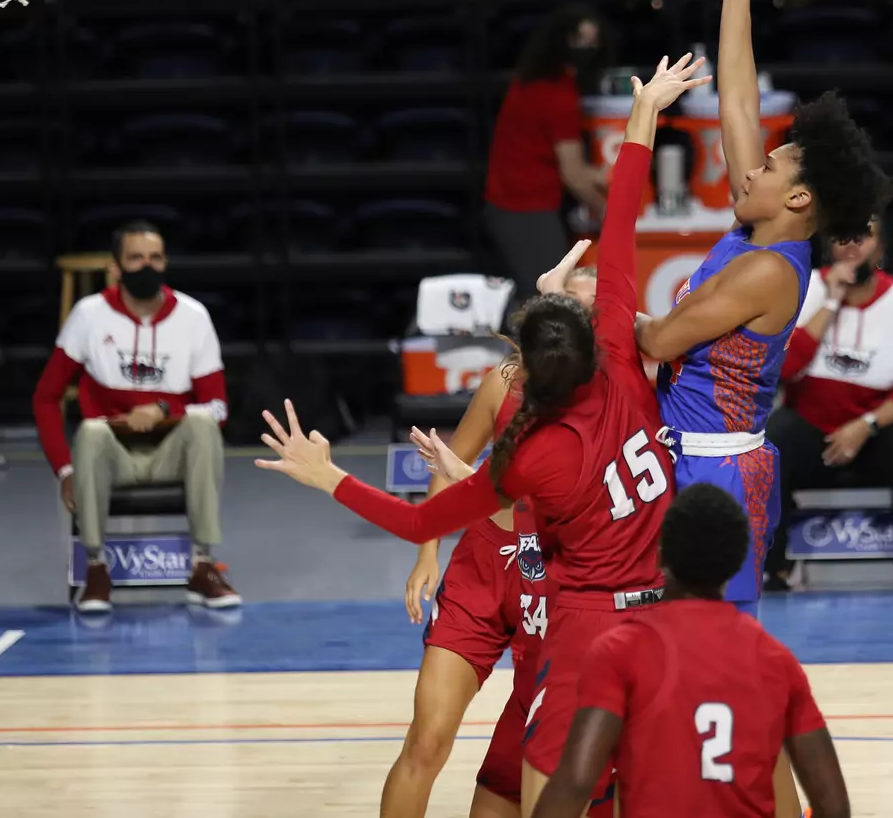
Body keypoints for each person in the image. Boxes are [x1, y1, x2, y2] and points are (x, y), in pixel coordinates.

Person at [257, 53, 713, 816]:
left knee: (544, 788)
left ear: (524, 371)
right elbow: (622, 215)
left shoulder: (532, 459)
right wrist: (646, 114)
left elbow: (416, 517)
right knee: (643, 780)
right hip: (658, 613)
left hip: (584, 621)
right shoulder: (622, 362)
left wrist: (328, 475)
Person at [636, 0, 893, 612]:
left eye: (770, 167)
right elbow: (738, 100)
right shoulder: (756, 230)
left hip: (714, 468)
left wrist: (595, 304)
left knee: (714, 646)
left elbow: (657, 341)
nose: (749, 172)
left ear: (799, 197)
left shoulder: (768, 272)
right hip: (684, 451)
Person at [389, 261, 598, 818]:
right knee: (427, 741)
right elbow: (449, 461)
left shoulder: (611, 397)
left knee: (551, 760)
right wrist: (427, 552)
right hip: (484, 569)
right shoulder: (503, 381)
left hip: (555, 585)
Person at [534, 483, 851, 818]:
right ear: (736, 564)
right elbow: (834, 805)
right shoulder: (777, 660)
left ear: (659, 555)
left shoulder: (621, 651)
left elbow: (575, 782)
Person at [32, 220, 240, 612]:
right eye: (136, 258)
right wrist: (64, 470)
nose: (147, 266)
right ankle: (95, 569)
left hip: (171, 453)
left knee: (202, 425)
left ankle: (202, 566)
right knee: (91, 431)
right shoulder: (89, 315)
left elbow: (219, 408)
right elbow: (46, 397)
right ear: (115, 268)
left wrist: (163, 411)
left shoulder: (194, 317)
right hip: (112, 455)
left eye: (155, 257)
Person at [764, 218, 893, 590]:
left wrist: (867, 425)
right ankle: (776, 568)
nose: (852, 245)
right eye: (843, 235)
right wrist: (830, 301)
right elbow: (784, 368)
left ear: (880, 248)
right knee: (770, 444)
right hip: (812, 425)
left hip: (877, 431)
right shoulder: (805, 290)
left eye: (864, 236)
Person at [483, 5, 613, 301]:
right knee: (551, 297)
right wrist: (610, 214)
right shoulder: (558, 94)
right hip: (524, 208)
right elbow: (574, 175)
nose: (587, 49)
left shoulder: (530, 80)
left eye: (593, 41)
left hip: (510, 202)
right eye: (580, 41)